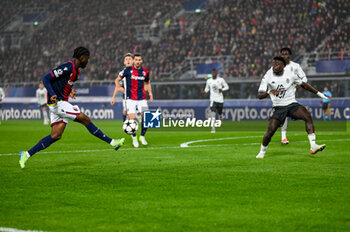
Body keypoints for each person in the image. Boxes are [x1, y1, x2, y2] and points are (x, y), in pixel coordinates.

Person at [19, 47, 125, 168]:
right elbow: (46, 78)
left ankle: (26, 154)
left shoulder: (76, 72)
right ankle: (113, 142)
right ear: (82, 57)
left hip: (58, 103)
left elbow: (63, 84)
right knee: (85, 119)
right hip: (58, 103)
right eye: (87, 59)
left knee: (56, 135)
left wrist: (70, 92)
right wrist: (52, 94)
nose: (88, 61)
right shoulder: (67, 67)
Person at [256, 56, 328, 159]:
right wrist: (269, 92)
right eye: (274, 63)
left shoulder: (291, 74)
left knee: (307, 116)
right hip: (278, 107)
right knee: (270, 131)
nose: (275, 66)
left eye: (278, 64)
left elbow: (304, 85)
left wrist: (320, 94)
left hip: (291, 104)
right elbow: (259, 95)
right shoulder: (268, 76)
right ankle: (262, 152)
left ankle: (313, 146)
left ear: (283, 66)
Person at [114, 53, 153, 147]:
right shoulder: (127, 70)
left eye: (139, 60)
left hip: (142, 98)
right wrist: (119, 88)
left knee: (147, 118)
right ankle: (134, 138)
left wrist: (150, 94)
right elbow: (117, 80)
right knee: (131, 119)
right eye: (136, 60)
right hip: (130, 99)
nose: (138, 61)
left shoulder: (145, 72)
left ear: (141, 61)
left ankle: (142, 136)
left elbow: (147, 83)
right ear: (133, 61)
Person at [279, 47, 308, 145]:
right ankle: (283, 138)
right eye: (282, 54)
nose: (284, 56)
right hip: (280, 96)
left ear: (290, 56)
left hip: (291, 96)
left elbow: (304, 78)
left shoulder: (295, 66)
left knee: (287, 115)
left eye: (286, 54)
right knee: (284, 115)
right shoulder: (277, 66)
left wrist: (300, 85)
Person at [203, 69, 229, 133]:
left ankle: (220, 117)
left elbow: (227, 87)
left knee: (219, 112)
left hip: (220, 99)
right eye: (213, 72)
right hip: (213, 99)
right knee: (213, 113)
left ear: (217, 73)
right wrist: (205, 92)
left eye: (215, 72)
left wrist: (222, 89)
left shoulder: (221, 80)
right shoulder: (209, 81)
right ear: (212, 73)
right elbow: (207, 88)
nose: (214, 73)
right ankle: (213, 128)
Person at [110, 53, 134, 122]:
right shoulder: (122, 73)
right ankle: (126, 124)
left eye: (129, 59)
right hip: (127, 97)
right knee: (126, 112)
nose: (128, 61)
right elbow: (117, 85)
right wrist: (113, 97)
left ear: (133, 61)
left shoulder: (138, 71)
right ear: (124, 62)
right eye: (126, 59)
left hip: (137, 96)